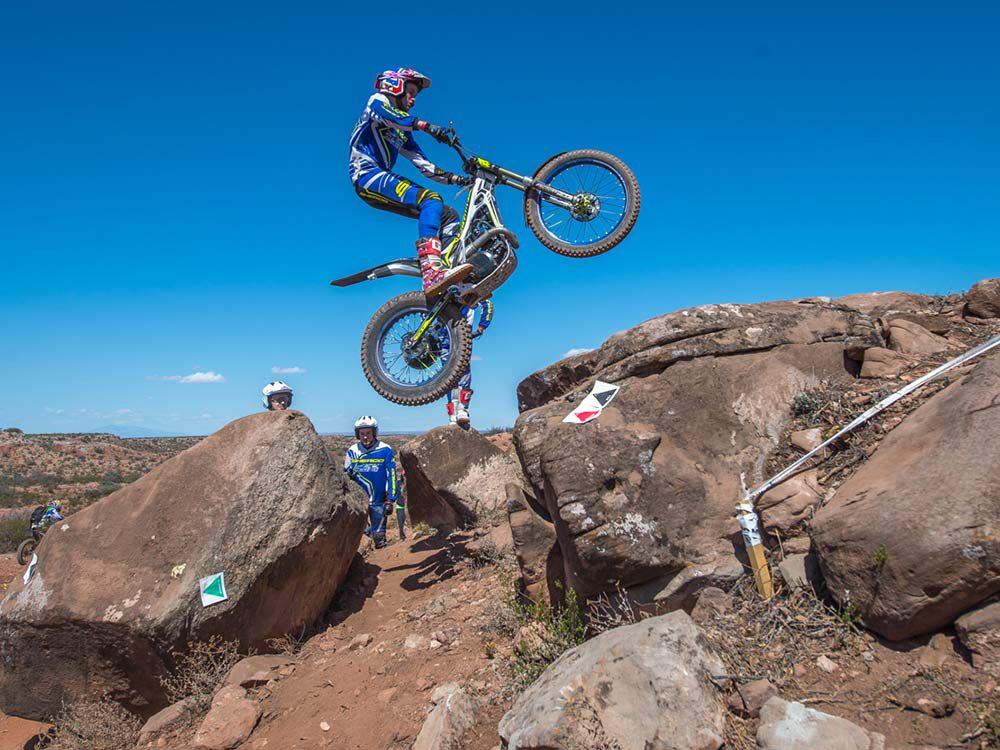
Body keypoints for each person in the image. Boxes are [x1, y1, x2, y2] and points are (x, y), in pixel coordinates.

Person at [349, 68, 473, 298]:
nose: (413, 99)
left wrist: (458, 179)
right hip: (366, 175)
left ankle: (445, 270)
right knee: (431, 200)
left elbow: (425, 166)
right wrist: (427, 126)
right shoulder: (377, 102)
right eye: (411, 92)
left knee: (448, 215)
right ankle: (431, 271)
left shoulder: (404, 133)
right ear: (394, 86)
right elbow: (392, 116)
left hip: (378, 177)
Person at [344, 416, 402, 548]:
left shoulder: (385, 450)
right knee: (361, 532)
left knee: (379, 537)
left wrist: (391, 499)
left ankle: (385, 560)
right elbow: (346, 477)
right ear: (357, 434)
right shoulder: (352, 451)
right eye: (362, 433)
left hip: (379, 500)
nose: (365, 437)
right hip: (359, 501)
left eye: (368, 433)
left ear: (374, 432)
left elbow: (391, 475)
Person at [446, 299, 494, 427]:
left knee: (458, 376)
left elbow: (487, 304)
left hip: (459, 338)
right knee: (451, 379)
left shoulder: (468, 294)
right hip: (448, 339)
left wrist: (482, 326)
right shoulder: (448, 294)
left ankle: (460, 411)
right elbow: (487, 305)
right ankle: (456, 412)